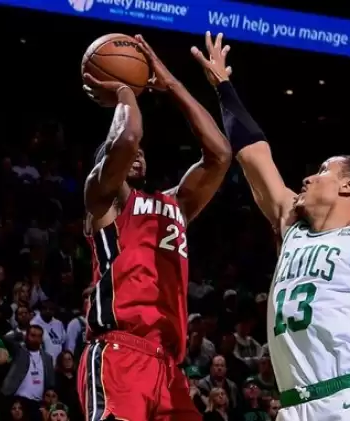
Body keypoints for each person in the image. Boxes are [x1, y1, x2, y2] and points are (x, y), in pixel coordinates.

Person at [192, 31, 350, 421]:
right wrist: (224, 87)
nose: (308, 178)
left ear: (349, 186)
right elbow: (253, 155)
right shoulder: (291, 225)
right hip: (293, 405)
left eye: (322, 171)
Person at [77, 34, 231, 421]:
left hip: (168, 366)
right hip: (119, 352)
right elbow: (128, 137)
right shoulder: (104, 200)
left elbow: (220, 154)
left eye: (142, 153)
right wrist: (125, 91)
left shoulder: (174, 204)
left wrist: (172, 84)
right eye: (125, 154)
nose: (137, 153)